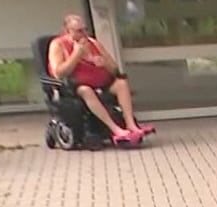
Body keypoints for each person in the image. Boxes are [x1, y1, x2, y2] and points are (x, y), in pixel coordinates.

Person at [47, 15, 152, 146]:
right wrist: (76, 55)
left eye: (85, 29)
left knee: (121, 84)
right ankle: (115, 129)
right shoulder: (58, 45)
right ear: (68, 31)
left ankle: (131, 124)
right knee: (86, 90)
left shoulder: (93, 43)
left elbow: (114, 68)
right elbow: (59, 73)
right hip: (75, 85)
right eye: (79, 31)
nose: (84, 34)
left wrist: (104, 63)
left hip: (100, 81)